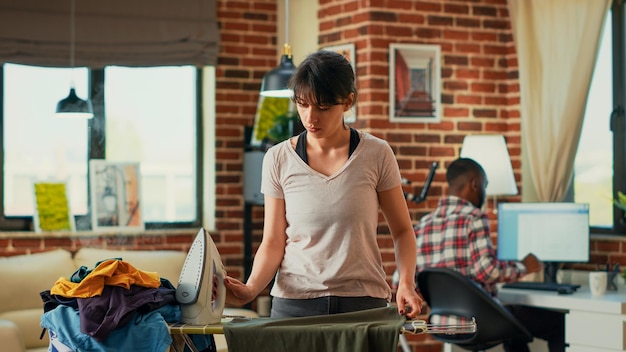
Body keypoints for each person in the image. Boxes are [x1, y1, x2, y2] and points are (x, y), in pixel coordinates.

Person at [224, 50, 424, 320]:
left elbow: (402, 231)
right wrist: (251, 289)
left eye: (322, 107)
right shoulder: (278, 158)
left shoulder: (377, 153)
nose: (310, 117)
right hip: (295, 304)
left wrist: (406, 284)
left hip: (362, 303)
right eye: (303, 104)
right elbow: (272, 241)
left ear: (347, 102)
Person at [415, 157, 565, 352]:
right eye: (485, 186)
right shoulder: (474, 217)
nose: (485, 192)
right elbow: (487, 271)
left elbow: (406, 279)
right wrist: (525, 267)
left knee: (514, 325)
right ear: (475, 184)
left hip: (440, 323)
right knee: (560, 324)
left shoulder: (423, 224)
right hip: (477, 322)